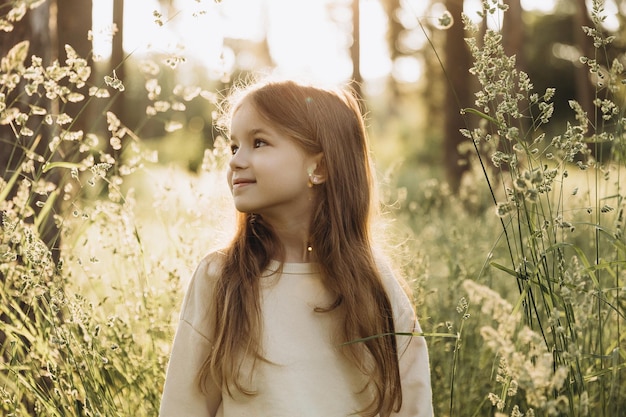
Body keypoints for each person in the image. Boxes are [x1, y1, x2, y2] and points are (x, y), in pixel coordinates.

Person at [159, 78, 433, 417]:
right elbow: (184, 407)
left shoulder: (376, 283)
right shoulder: (220, 278)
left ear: (318, 167)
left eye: (258, 143)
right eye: (234, 147)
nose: (235, 161)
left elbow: (412, 406)